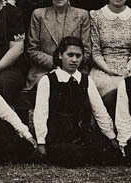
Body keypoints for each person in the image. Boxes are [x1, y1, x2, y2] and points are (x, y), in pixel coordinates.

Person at [34, 36, 118, 167]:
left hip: (82, 137)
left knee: (109, 154)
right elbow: (40, 113)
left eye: (78, 56)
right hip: (58, 138)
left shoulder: (86, 80)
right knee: (75, 156)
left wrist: (111, 137)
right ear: (61, 56)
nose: (74, 60)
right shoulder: (48, 80)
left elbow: (99, 111)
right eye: (70, 55)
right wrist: (41, 143)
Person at [88, 0, 131, 108]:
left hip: (130, 68)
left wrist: (126, 70)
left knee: (129, 88)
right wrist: (108, 70)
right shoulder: (95, 15)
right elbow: (95, 51)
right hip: (102, 69)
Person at [26, 0, 91, 90]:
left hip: (75, 69)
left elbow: (86, 50)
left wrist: (68, 65)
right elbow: (32, 49)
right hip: (44, 70)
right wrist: (58, 64)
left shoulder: (82, 15)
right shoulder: (39, 15)